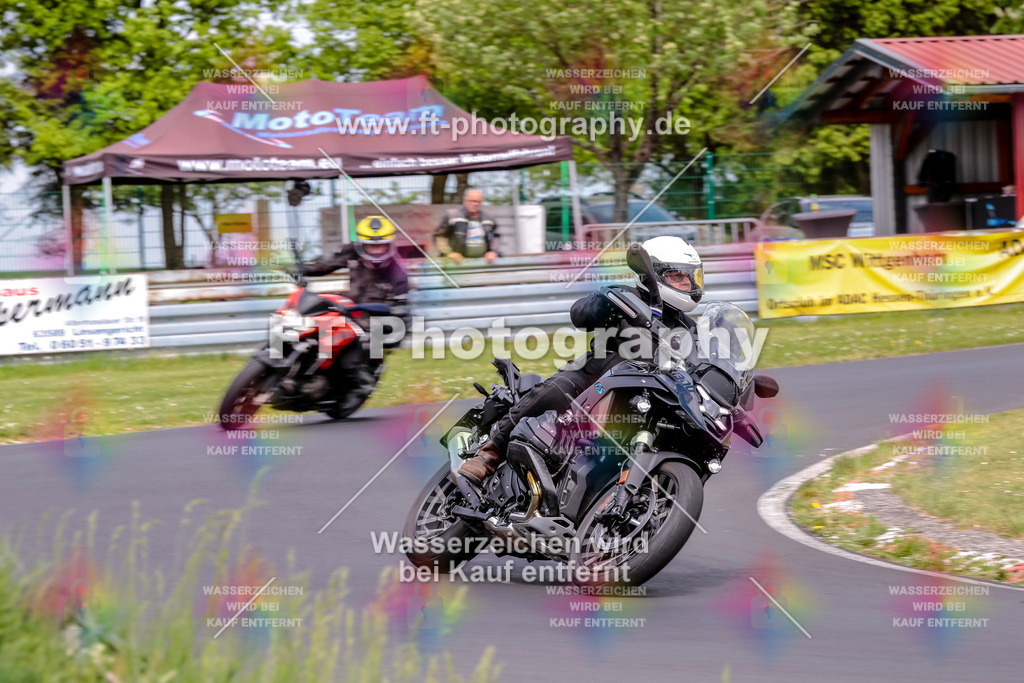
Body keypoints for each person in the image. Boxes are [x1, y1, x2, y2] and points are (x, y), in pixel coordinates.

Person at [459, 235, 705, 484]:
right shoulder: (626, 297)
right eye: (677, 276)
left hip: (643, 400)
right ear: (651, 274)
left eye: (689, 276)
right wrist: (603, 305)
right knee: (559, 389)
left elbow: (701, 368)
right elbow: (579, 313)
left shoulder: (689, 329)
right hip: (594, 380)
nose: (686, 283)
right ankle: (489, 453)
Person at [304, 215, 410, 409]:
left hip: (379, 316)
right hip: (350, 306)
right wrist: (304, 269)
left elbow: (402, 308)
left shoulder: (398, 272)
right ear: (361, 243)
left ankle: (361, 383)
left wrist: (393, 319)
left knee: (363, 345)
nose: (377, 250)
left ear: (390, 245)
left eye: (382, 246)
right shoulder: (351, 251)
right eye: (371, 246)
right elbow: (326, 264)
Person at [434, 189, 500, 264]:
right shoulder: (453, 215)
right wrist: (449, 253)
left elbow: (496, 236)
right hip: (457, 263)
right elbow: (439, 236)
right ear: (464, 201)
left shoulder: (488, 217)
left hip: (482, 262)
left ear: (481, 202)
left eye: (477, 201)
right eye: (471, 201)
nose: (474, 204)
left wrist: (493, 251)